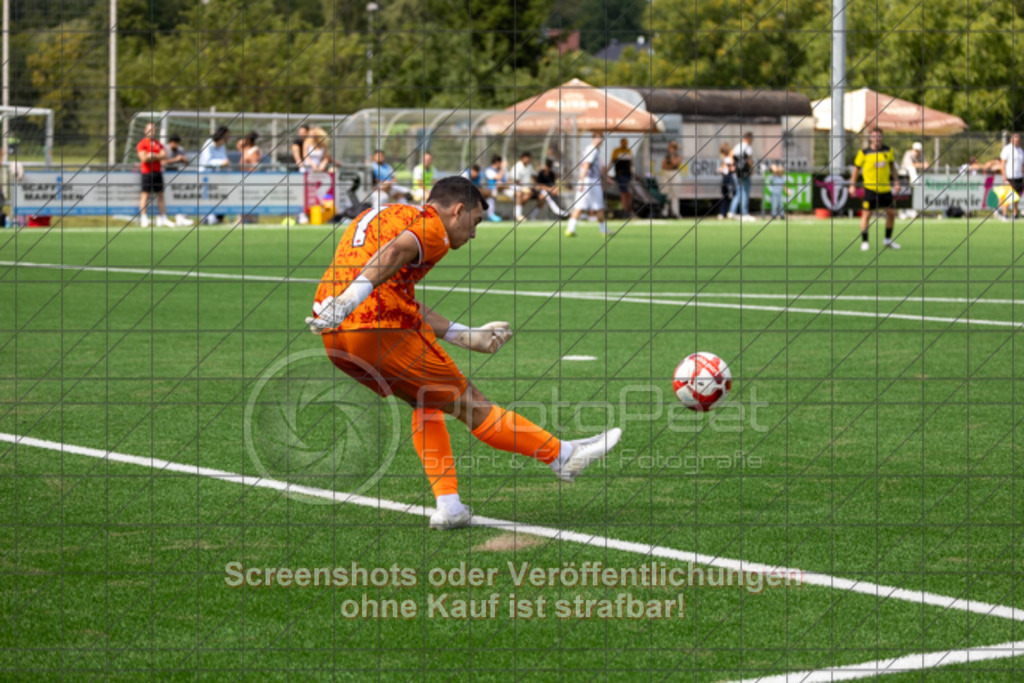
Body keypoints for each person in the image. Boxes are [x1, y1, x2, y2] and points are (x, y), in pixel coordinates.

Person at [305, 176, 622, 529]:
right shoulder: (433, 229)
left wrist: (464, 335)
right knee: (471, 404)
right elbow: (394, 254)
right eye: (475, 222)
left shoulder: (389, 215)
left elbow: (401, 297)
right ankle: (563, 455)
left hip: (335, 337)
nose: (473, 234)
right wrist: (350, 299)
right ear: (457, 211)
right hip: (373, 324)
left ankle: (450, 505)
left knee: (425, 401)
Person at [849, 128, 902, 251]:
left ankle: (887, 239)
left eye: (879, 136)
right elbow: (856, 170)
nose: (877, 139)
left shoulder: (888, 151)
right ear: (871, 138)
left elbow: (893, 168)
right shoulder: (864, 153)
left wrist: (897, 182)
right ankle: (865, 241)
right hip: (870, 189)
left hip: (885, 189)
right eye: (874, 136)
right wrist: (852, 185)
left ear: (882, 138)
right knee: (867, 215)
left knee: (891, 213)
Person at [565, 130, 607, 237]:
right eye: (597, 137)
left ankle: (570, 229)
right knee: (598, 206)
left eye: (601, 138)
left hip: (587, 181)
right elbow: (586, 165)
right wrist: (582, 181)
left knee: (579, 206)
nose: (600, 140)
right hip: (590, 181)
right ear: (593, 138)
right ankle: (603, 230)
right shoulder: (592, 150)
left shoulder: (591, 149)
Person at [136, 122, 173, 228]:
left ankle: (163, 218)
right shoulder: (142, 143)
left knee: (160, 195)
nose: (152, 132)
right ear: (145, 130)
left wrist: (151, 155)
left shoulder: (158, 143)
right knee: (145, 195)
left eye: (153, 130)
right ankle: (144, 218)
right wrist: (156, 156)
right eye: (149, 129)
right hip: (147, 172)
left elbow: (164, 155)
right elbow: (144, 158)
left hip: (157, 172)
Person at [198, 126, 231, 224]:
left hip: (216, 176)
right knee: (205, 197)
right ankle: (206, 218)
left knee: (217, 197)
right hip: (204, 176)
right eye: (227, 135)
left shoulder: (222, 146)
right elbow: (207, 161)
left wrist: (224, 163)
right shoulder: (209, 144)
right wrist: (221, 163)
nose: (228, 138)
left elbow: (223, 159)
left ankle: (216, 219)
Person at [162, 135, 193, 226]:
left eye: (177, 143)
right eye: (175, 143)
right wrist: (175, 159)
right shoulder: (164, 149)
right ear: (170, 142)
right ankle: (162, 218)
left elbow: (187, 161)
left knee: (179, 196)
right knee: (165, 198)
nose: (176, 145)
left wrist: (183, 159)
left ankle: (180, 218)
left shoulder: (180, 149)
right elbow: (162, 162)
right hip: (164, 175)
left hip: (176, 176)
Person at [727, 132, 755, 219]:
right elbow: (749, 160)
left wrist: (732, 166)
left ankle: (731, 212)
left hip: (737, 173)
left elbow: (730, 155)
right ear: (749, 138)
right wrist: (752, 168)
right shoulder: (747, 147)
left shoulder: (737, 146)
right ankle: (744, 213)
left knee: (738, 193)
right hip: (745, 173)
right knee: (745, 193)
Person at [999, 132, 1023, 218]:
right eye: (1016, 139)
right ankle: (1005, 214)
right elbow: (1002, 163)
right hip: (1009, 176)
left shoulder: (1020, 150)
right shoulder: (1007, 149)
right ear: (1011, 139)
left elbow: (1022, 165)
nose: (1017, 141)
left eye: (1018, 139)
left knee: (1017, 196)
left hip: (1019, 176)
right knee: (1008, 196)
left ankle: (1015, 213)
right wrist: (1004, 176)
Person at [610, 138, 634, 216]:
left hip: (628, 175)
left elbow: (631, 163)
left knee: (627, 192)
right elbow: (612, 161)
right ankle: (625, 209)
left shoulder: (629, 151)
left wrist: (633, 173)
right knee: (624, 192)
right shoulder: (617, 151)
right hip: (620, 174)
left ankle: (627, 209)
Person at [482, 154, 509, 222]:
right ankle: (491, 215)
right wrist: (503, 168)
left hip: (503, 190)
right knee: (496, 188)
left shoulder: (502, 171)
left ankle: (517, 214)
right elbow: (499, 177)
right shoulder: (489, 171)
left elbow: (507, 181)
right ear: (497, 162)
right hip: (492, 191)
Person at [661, 141, 683, 219]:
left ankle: (675, 212)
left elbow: (674, 163)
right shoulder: (666, 156)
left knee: (675, 194)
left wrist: (672, 154)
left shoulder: (677, 155)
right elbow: (664, 166)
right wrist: (668, 165)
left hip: (674, 174)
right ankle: (665, 213)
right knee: (666, 194)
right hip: (667, 174)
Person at [717, 142, 735, 220]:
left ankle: (730, 212)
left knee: (732, 195)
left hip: (730, 177)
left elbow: (731, 167)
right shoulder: (726, 158)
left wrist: (724, 169)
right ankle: (723, 212)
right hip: (726, 178)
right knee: (725, 196)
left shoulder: (730, 156)